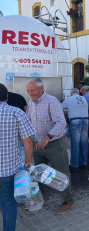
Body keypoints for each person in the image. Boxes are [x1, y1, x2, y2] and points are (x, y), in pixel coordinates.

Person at [26, 78, 74, 214]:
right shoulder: (31, 102)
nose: (30, 93)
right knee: (36, 172)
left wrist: (48, 137)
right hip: (38, 144)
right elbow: (29, 120)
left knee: (61, 172)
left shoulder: (51, 101)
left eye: (33, 90)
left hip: (54, 143)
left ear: (41, 88)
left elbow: (61, 122)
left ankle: (68, 199)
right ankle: (38, 198)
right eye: (28, 91)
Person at [0, 83, 35, 231]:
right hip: (8, 170)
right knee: (8, 202)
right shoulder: (16, 112)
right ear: (6, 97)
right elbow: (27, 140)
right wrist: (28, 161)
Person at [62, 88, 89, 170]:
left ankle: (74, 164)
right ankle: (84, 162)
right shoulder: (84, 98)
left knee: (75, 144)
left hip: (75, 121)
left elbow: (60, 109)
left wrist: (66, 114)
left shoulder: (69, 99)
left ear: (71, 93)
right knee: (84, 143)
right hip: (85, 120)